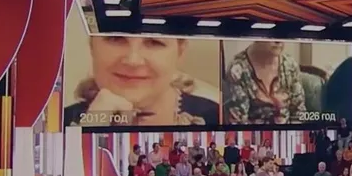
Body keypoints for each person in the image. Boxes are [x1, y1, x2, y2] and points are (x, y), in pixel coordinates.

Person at [64, 36, 219, 127]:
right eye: (116, 38)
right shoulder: (59, 122)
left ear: (180, 52)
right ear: (92, 46)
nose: (133, 60)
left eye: (154, 42)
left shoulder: (215, 117)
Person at [223, 40, 306, 124]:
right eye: (272, 35)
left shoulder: (290, 65)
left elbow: (299, 113)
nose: (278, 41)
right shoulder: (237, 70)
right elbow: (237, 123)